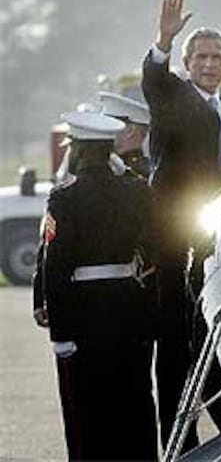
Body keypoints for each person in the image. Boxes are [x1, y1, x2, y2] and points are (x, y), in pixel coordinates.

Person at [141, 0, 221, 450]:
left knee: (209, 338)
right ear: (187, 63)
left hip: (212, 238)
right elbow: (154, 79)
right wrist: (163, 38)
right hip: (172, 237)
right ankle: (175, 441)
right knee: (174, 343)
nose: (209, 63)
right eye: (201, 56)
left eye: (216, 56)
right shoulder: (174, 96)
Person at [32, 111, 158, 461]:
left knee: (87, 410)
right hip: (129, 309)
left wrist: (60, 332)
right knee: (134, 404)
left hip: (84, 313)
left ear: (82, 151)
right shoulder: (136, 191)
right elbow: (153, 249)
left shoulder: (64, 198)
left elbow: (55, 267)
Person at [98, 91, 151, 177]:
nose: (101, 130)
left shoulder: (139, 172)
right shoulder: (107, 162)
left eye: (110, 125)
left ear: (130, 131)